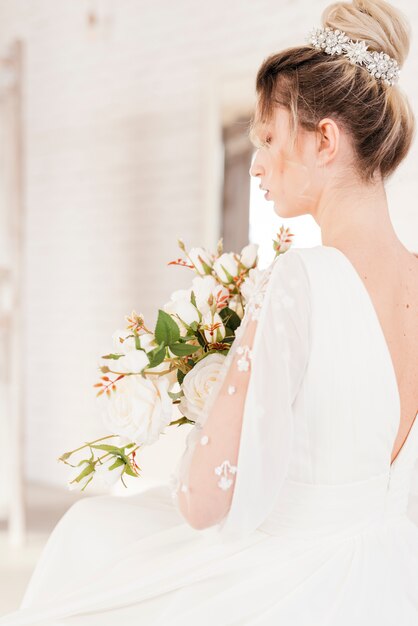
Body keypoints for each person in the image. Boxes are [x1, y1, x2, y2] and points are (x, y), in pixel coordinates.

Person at [1, 0, 418, 623]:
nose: (256, 163)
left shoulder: (299, 280)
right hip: (390, 575)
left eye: (270, 139)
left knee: (88, 538)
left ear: (325, 140)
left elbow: (201, 500)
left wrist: (207, 399)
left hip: (292, 584)